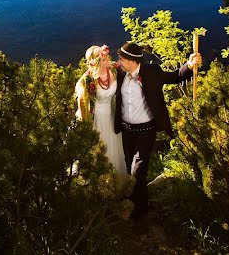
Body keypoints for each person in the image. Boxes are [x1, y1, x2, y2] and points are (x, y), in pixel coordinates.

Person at [114, 41, 201, 220]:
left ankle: (139, 210)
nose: (119, 62)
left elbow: (175, 76)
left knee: (138, 171)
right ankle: (137, 202)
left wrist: (190, 65)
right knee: (130, 168)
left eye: (121, 59)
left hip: (146, 131)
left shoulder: (152, 72)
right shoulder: (120, 73)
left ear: (132, 61)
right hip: (126, 131)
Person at [75, 44, 127, 178]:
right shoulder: (87, 80)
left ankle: (116, 181)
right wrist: (86, 126)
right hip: (96, 119)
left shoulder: (114, 70)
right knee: (99, 149)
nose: (108, 60)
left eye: (107, 57)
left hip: (111, 116)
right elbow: (82, 105)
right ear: (95, 62)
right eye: (103, 59)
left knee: (114, 148)